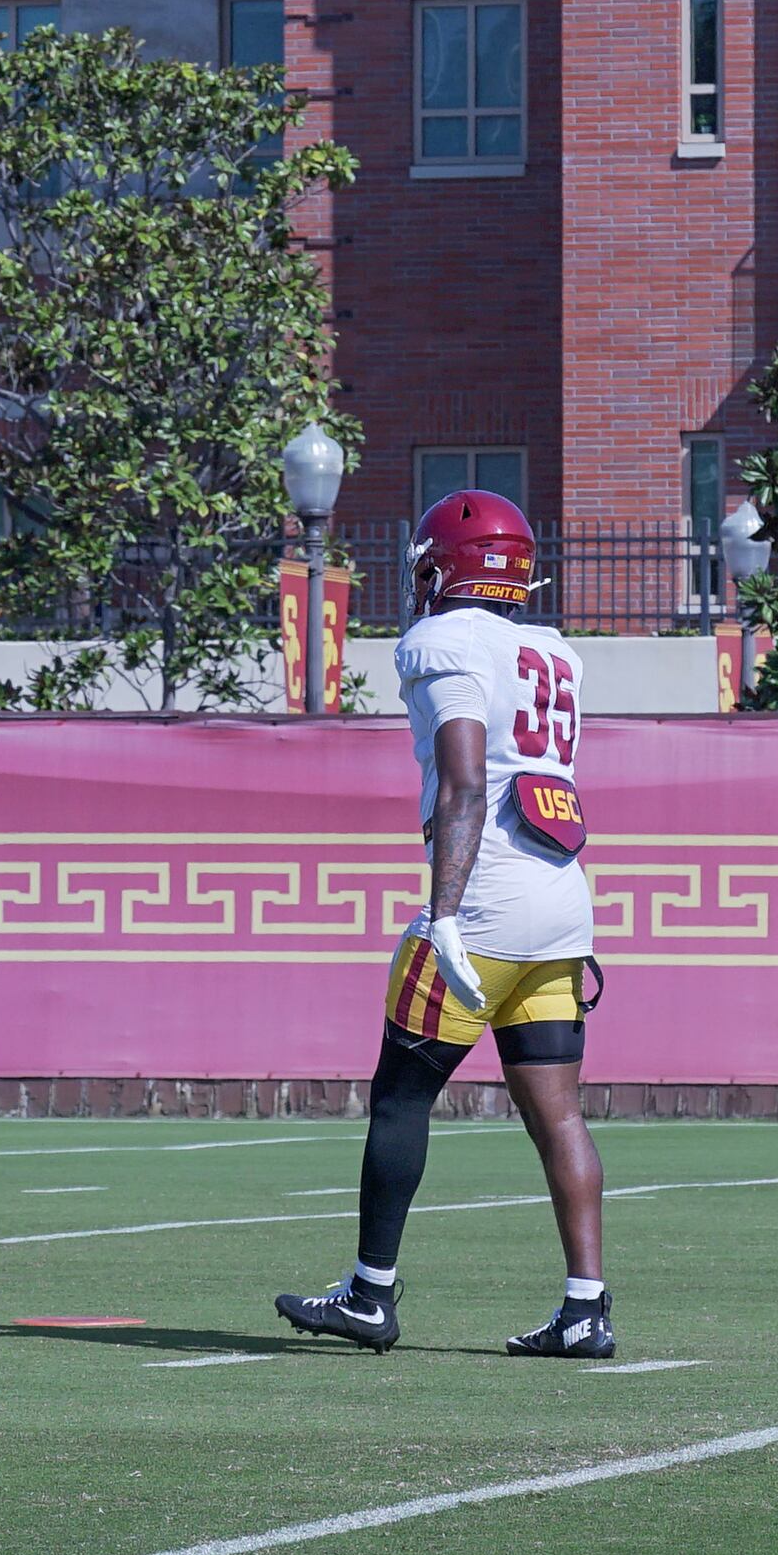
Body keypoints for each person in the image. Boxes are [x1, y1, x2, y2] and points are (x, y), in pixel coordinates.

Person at [275, 488, 616, 1360]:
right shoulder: (552, 649)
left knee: (400, 1094)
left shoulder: (442, 640)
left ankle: (370, 1293)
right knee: (560, 1115)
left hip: (489, 903)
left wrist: (445, 914)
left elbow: (466, 781)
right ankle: (587, 1307)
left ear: (439, 566)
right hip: (560, 901)